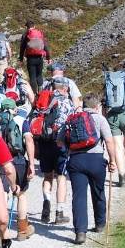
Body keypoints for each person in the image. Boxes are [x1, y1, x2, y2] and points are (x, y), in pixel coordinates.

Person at [62, 94, 115, 244]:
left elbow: (60, 141)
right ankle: (99, 224)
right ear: (97, 106)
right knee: (98, 191)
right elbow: (110, 142)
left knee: (79, 196)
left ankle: (80, 232)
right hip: (96, 160)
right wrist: (112, 161)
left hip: (76, 161)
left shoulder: (72, 118)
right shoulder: (100, 119)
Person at [33, 76, 77, 225]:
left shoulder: (44, 100)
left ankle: (46, 205)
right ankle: (59, 212)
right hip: (60, 143)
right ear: (64, 88)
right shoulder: (67, 102)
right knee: (61, 177)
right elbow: (71, 121)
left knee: (47, 176)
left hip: (44, 142)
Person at [0, 98, 36, 239]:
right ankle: (22, 230)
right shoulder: (21, 120)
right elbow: (28, 140)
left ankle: (1, 230)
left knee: (2, 193)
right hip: (18, 160)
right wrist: (32, 164)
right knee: (21, 195)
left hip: (0, 161)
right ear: (14, 108)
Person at [19, 22, 49, 90]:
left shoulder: (26, 34)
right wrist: (48, 57)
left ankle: (34, 94)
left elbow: (22, 48)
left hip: (30, 59)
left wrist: (21, 59)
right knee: (39, 75)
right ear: (34, 26)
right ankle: (41, 92)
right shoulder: (39, 33)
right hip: (40, 58)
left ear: (27, 27)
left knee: (32, 76)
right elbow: (45, 46)